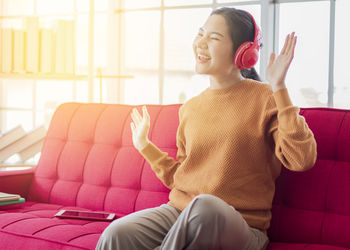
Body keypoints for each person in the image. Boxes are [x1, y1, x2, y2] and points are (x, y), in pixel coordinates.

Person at [96, 6, 317, 250]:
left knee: (205, 207)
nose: (200, 43)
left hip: (239, 227)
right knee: (117, 233)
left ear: (243, 53)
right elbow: (182, 176)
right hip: (180, 212)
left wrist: (279, 87)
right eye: (200, 34)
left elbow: (301, 159)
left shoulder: (266, 97)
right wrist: (145, 146)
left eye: (213, 38)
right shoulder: (190, 108)